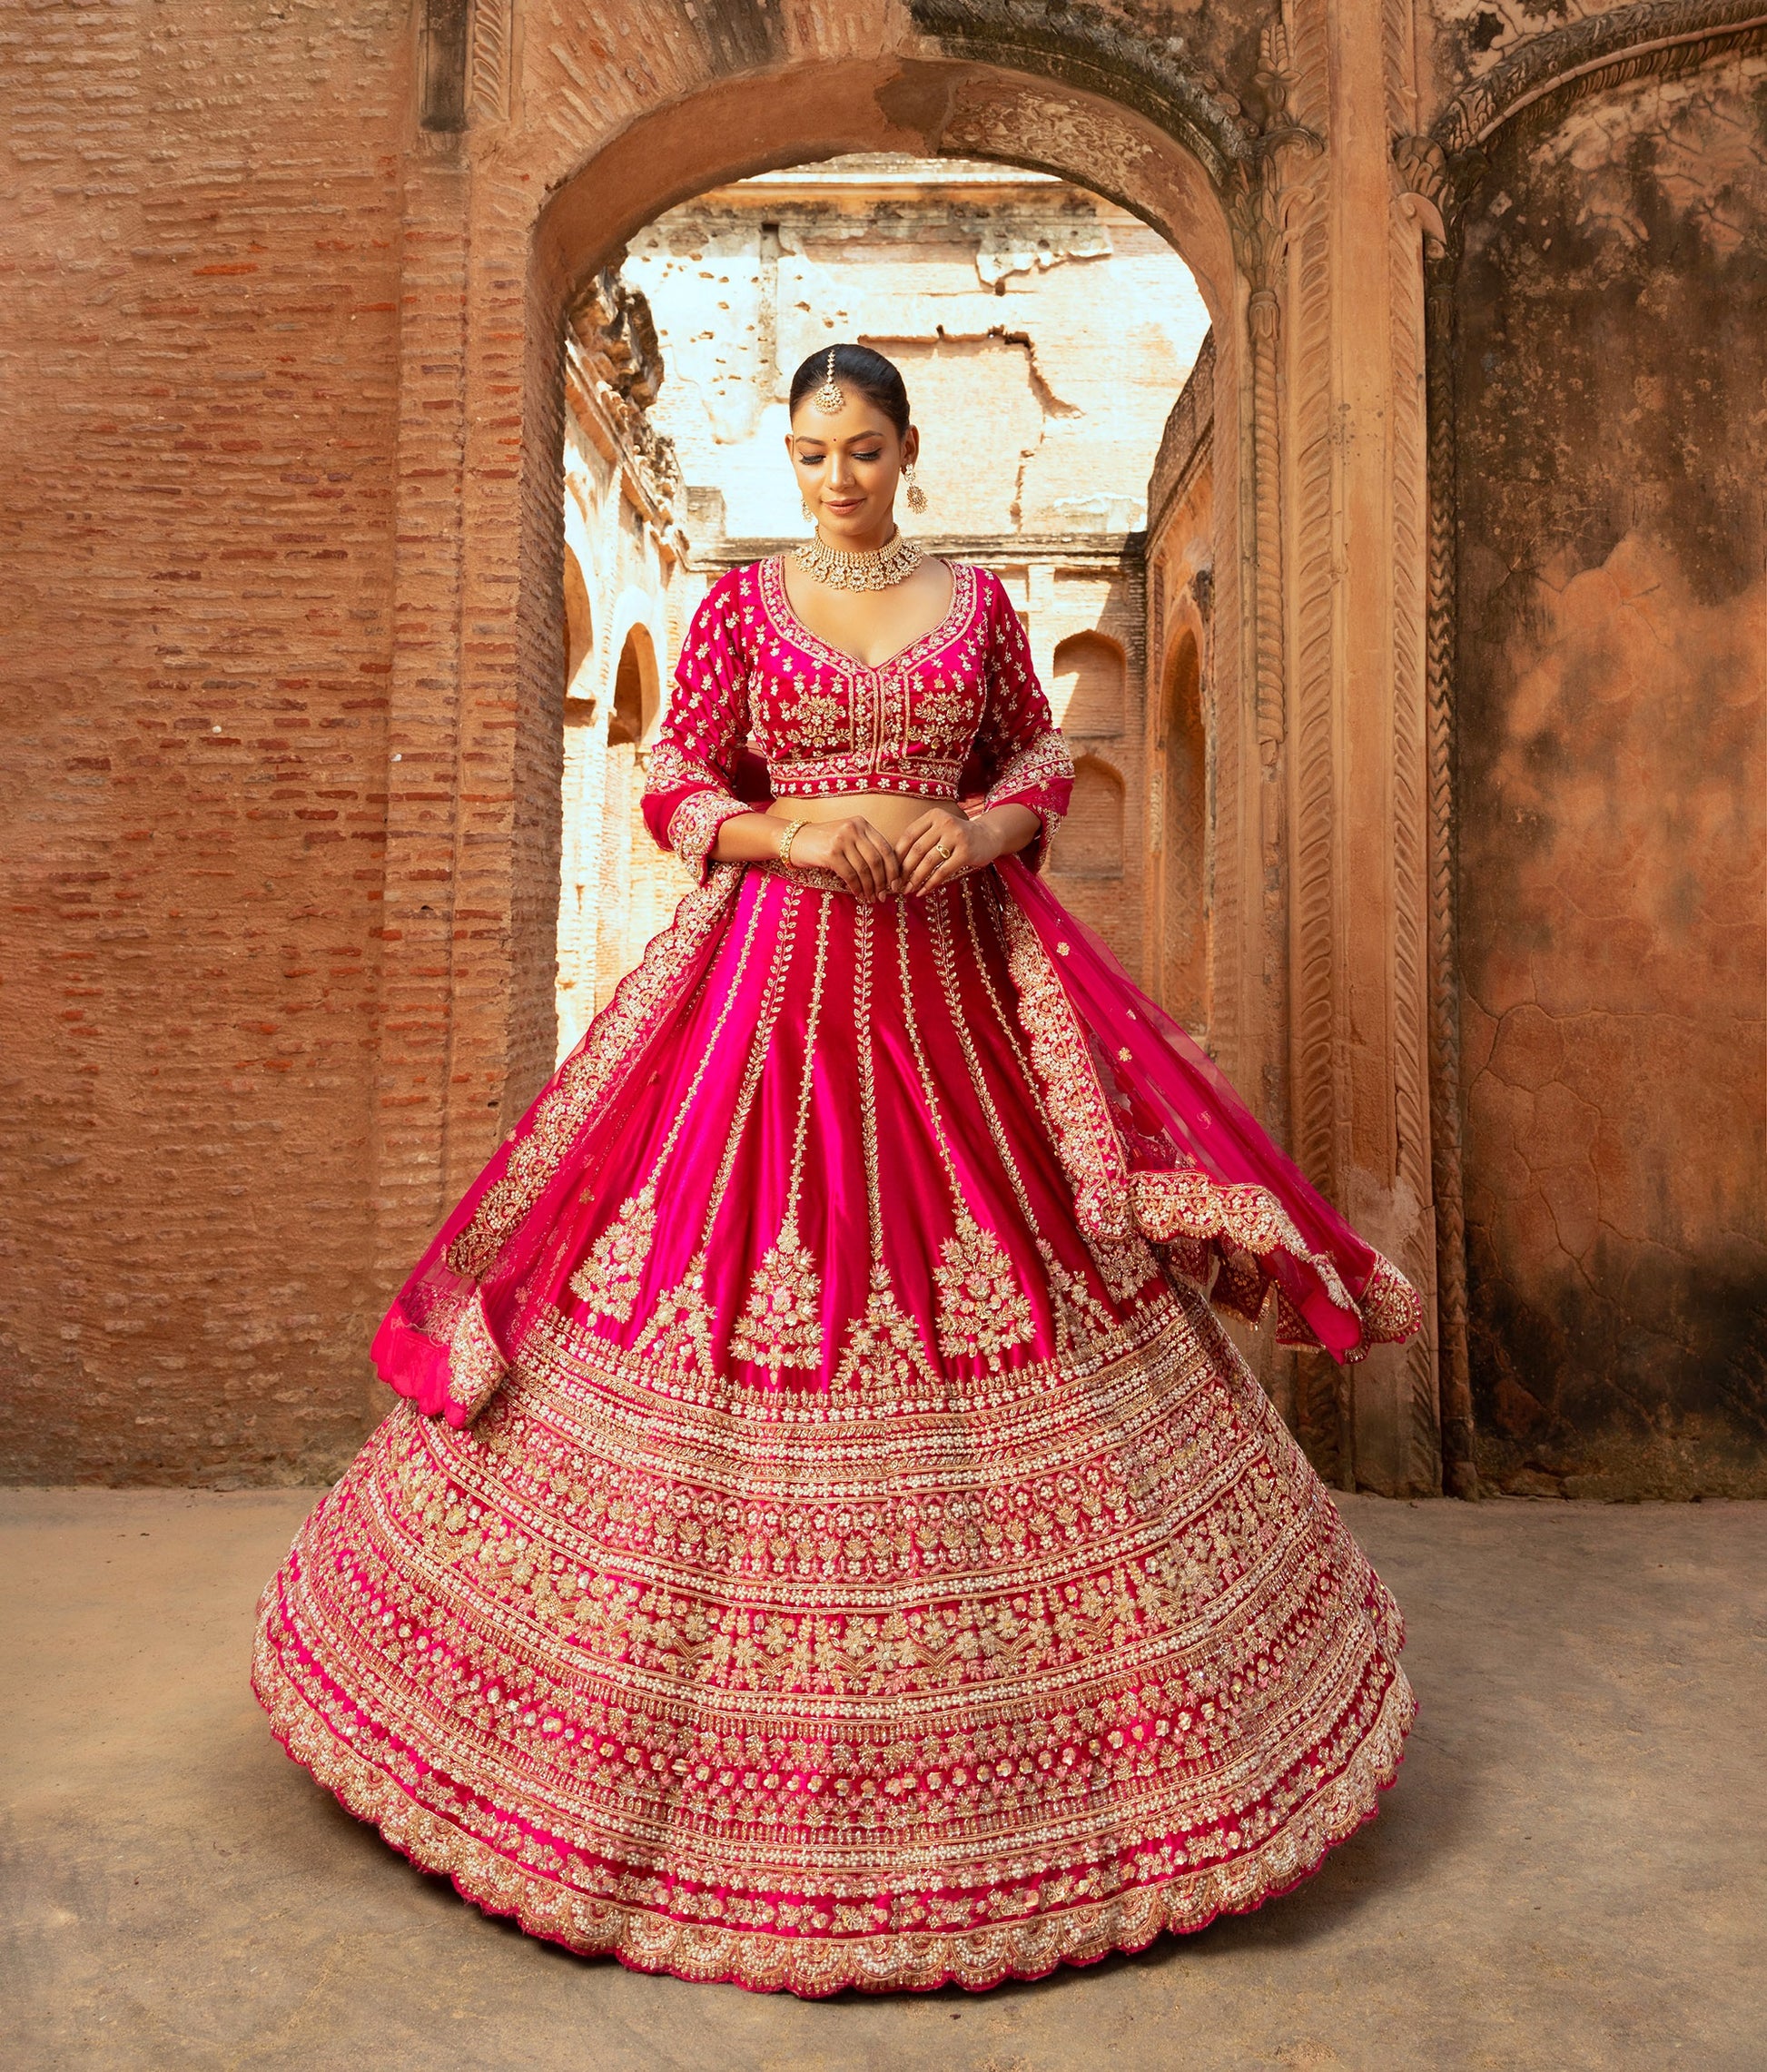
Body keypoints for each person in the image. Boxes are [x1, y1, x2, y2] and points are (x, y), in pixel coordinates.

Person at [254, 343, 1421, 1996]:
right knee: (706, 1271)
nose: (835, 481)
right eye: (811, 455)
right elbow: (674, 780)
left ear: (908, 450)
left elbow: (1031, 757)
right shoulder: (740, 608)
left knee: (1022, 1267)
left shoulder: (979, 607)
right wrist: (787, 830)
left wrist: (983, 831)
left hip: (950, 987)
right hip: (773, 997)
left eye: (862, 451)